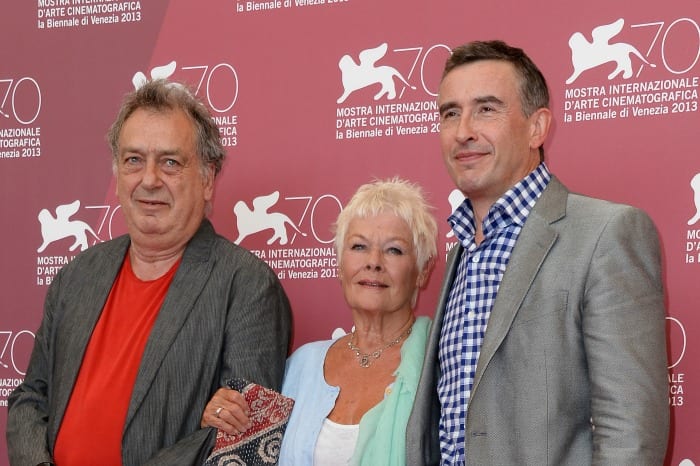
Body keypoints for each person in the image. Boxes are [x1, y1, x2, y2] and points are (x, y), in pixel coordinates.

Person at [406, 40, 669, 465]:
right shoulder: (459, 253)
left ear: (537, 127)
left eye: (487, 109)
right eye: (450, 113)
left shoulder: (606, 234)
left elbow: (630, 433)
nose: (463, 130)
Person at [6, 79, 292, 466]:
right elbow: (30, 398)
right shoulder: (76, 277)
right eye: (133, 160)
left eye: (170, 162)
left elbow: (241, 443)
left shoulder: (248, 287)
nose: (149, 178)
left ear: (207, 180)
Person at [203, 177, 438, 465]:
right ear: (340, 264)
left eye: (394, 250)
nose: (374, 262)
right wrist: (222, 416)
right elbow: (250, 450)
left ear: (422, 271)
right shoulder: (300, 367)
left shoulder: (437, 365)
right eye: (359, 247)